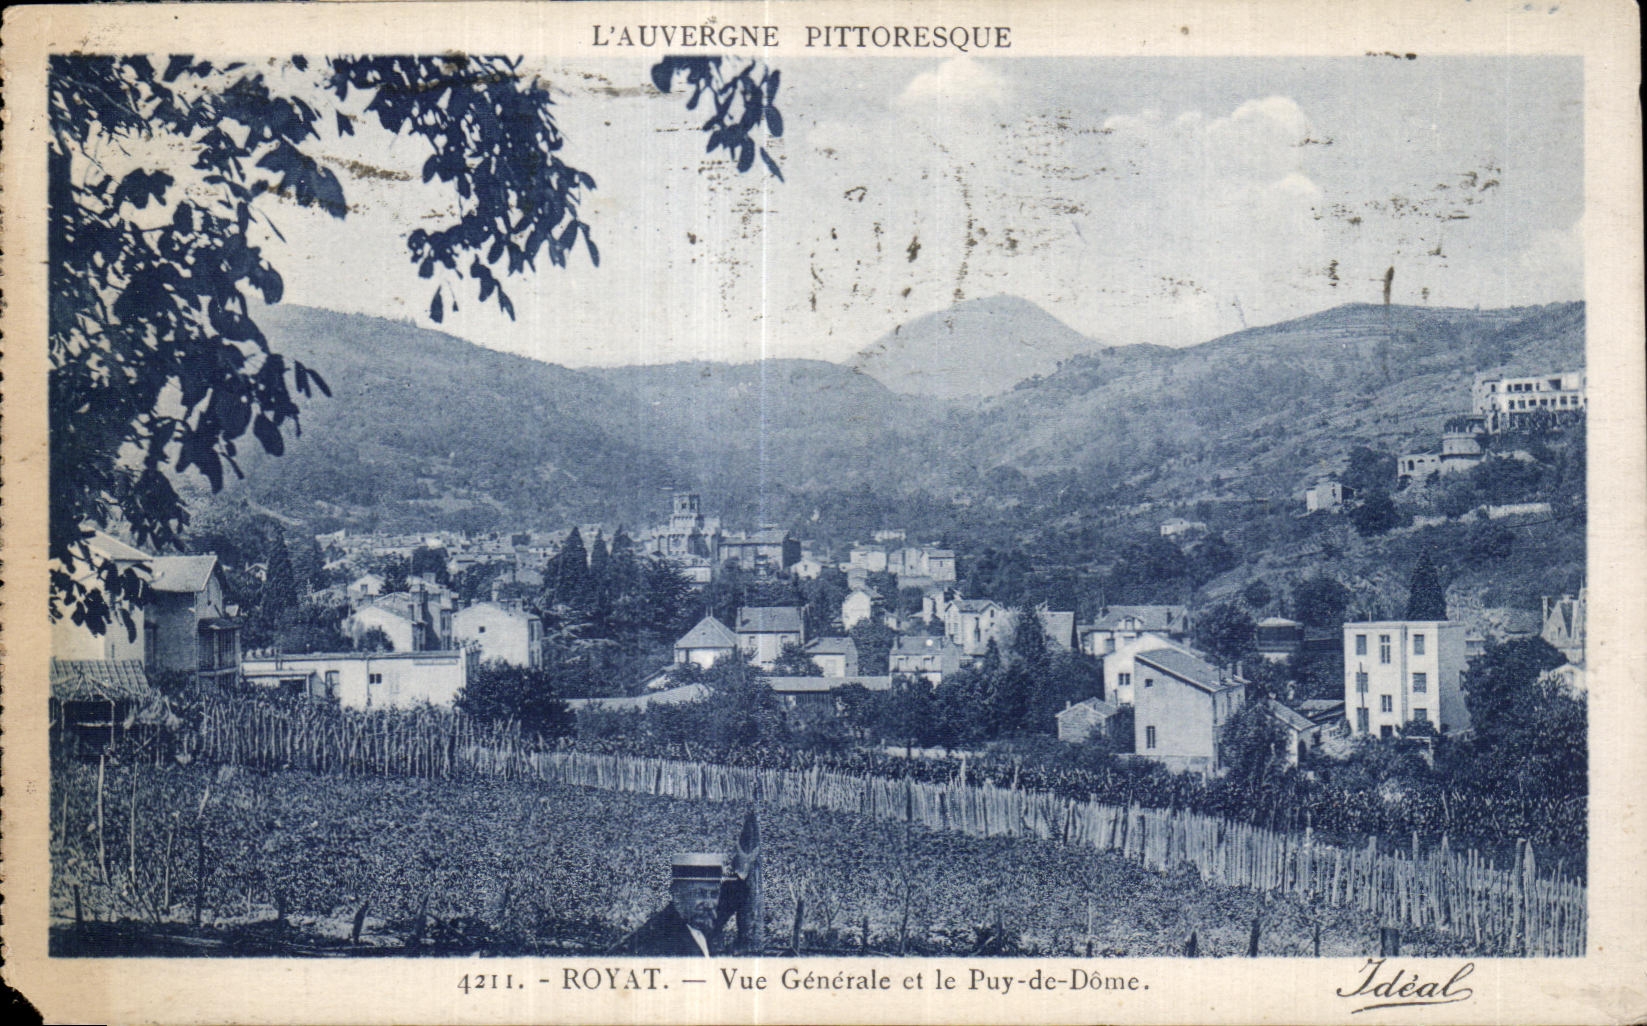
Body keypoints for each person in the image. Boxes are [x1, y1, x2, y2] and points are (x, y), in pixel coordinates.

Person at [610, 853, 735, 956]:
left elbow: (726, 903)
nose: (709, 903)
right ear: (676, 894)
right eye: (699, 893)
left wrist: (740, 872)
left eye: (714, 894)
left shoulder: (700, 920)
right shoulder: (659, 939)